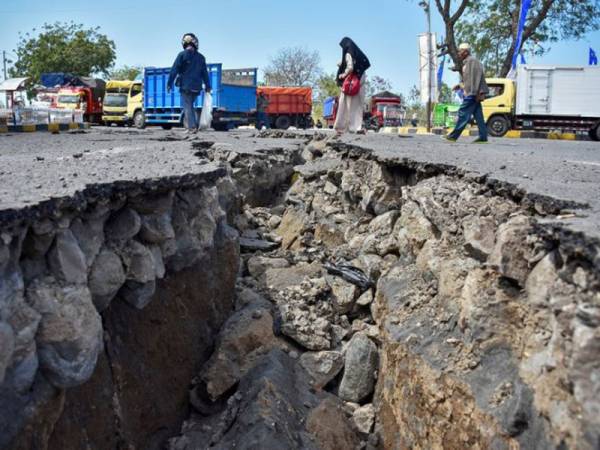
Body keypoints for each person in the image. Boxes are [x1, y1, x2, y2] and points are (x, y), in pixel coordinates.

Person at [444, 43, 489, 143]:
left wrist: (474, 93)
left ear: (466, 52)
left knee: (463, 112)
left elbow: (476, 78)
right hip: (473, 92)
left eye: (460, 51)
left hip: (472, 93)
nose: (459, 53)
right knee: (478, 116)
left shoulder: (472, 61)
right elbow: (469, 79)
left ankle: (453, 136)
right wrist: (460, 85)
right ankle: (483, 137)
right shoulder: (467, 62)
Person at [167, 33, 211, 133]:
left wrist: (169, 83)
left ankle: (191, 128)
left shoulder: (182, 55)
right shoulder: (201, 57)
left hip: (185, 86)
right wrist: (208, 86)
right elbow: (205, 73)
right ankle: (191, 126)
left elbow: (174, 70)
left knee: (187, 106)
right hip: (196, 87)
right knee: (190, 106)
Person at [334, 37, 371, 134]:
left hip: (350, 84)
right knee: (357, 106)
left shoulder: (348, 53)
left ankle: (341, 127)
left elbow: (350, 67)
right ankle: (355, 127)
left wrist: (343, 74)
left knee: (344, 104)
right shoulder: (356, 53)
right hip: (359, 83)